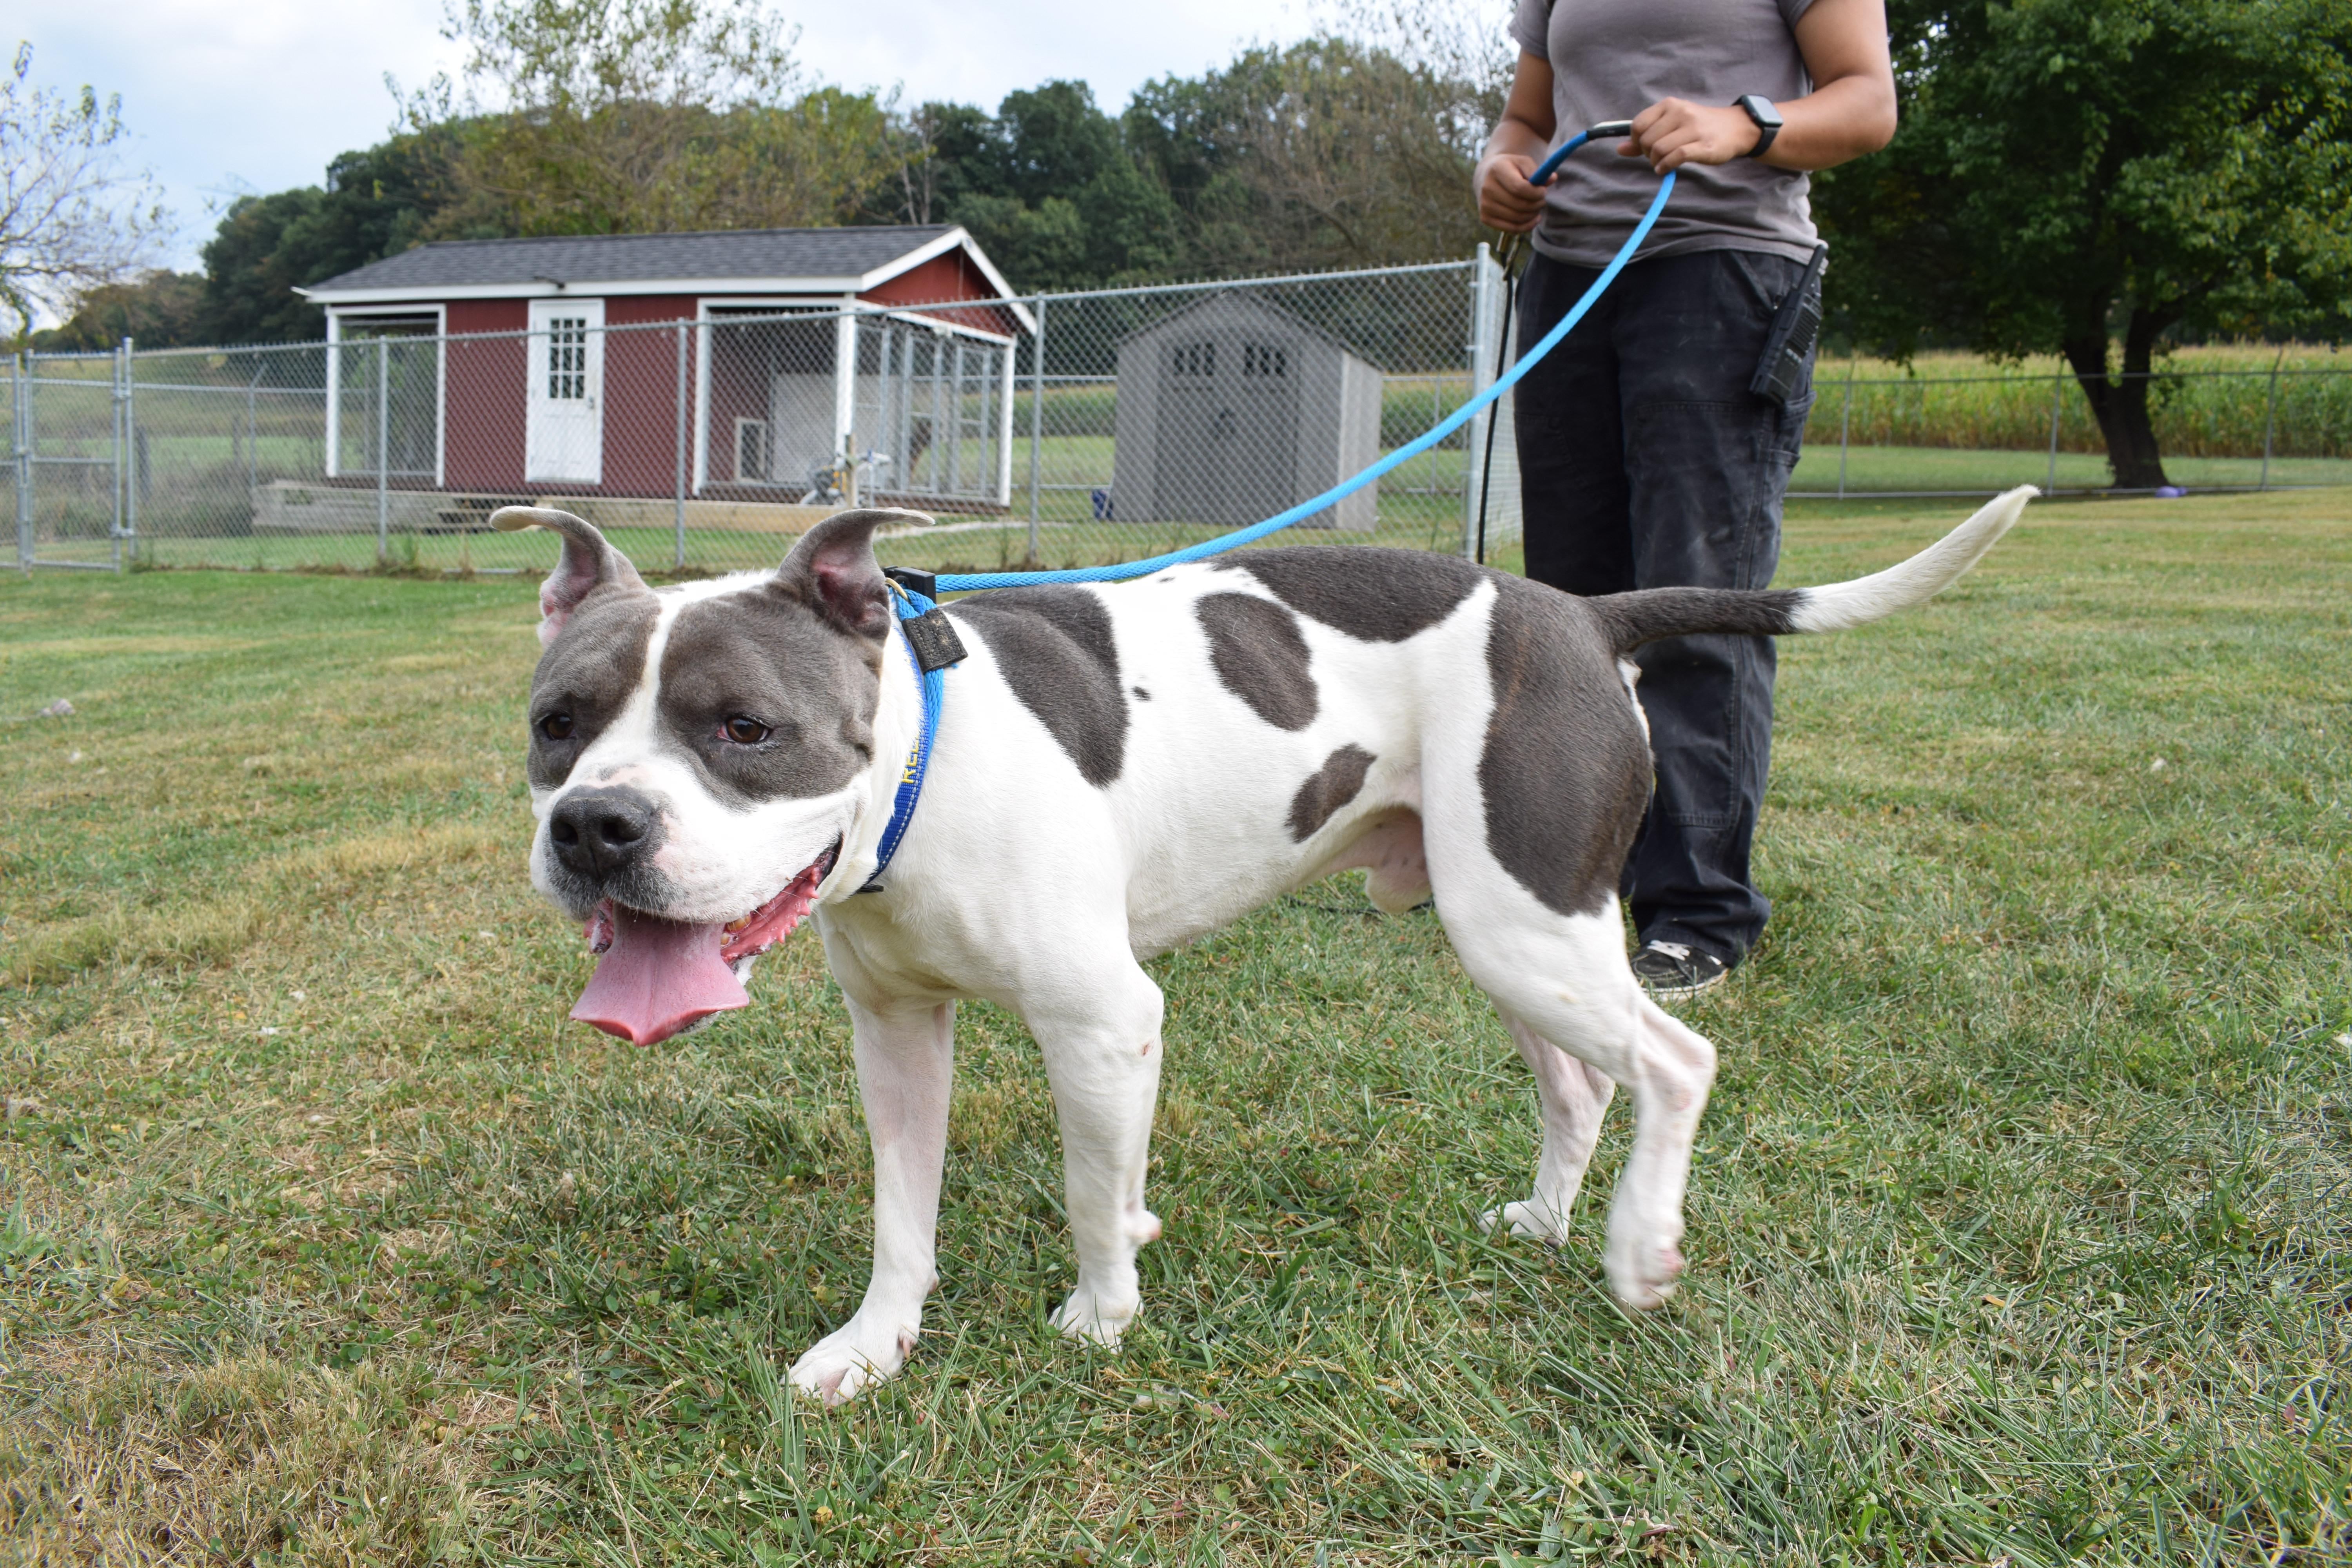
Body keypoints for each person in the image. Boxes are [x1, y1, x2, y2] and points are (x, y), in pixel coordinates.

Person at [1474, 0, 1896, 998]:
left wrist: (1743, 126)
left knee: (1695, 596)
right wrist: (1500, 170)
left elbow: (1869, 104)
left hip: (1723, 267)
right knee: (1571, 615)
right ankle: (1581, 882)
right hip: (1571, 283)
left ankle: (1698, 908)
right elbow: (1525, 121)